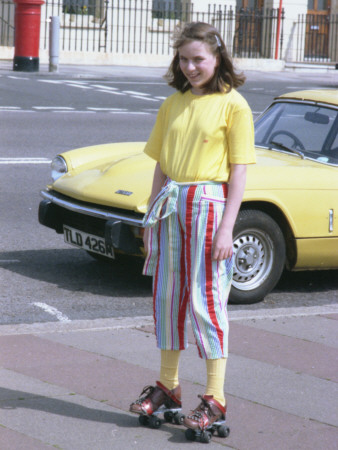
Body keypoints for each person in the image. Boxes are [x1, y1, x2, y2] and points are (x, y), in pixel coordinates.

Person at [130, 21, 256, 432]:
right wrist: (151, 216)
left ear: (217, 58)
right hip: (171, 205)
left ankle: (215, 397)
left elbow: (238, 174)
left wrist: (227, 229)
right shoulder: (174, 104)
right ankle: (168, 385)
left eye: (198, 59)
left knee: (206, 300)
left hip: (208, 205)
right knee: (167, 297)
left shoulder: (233, 105)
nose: (189, 67)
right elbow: (161, 165)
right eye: (183, 59)